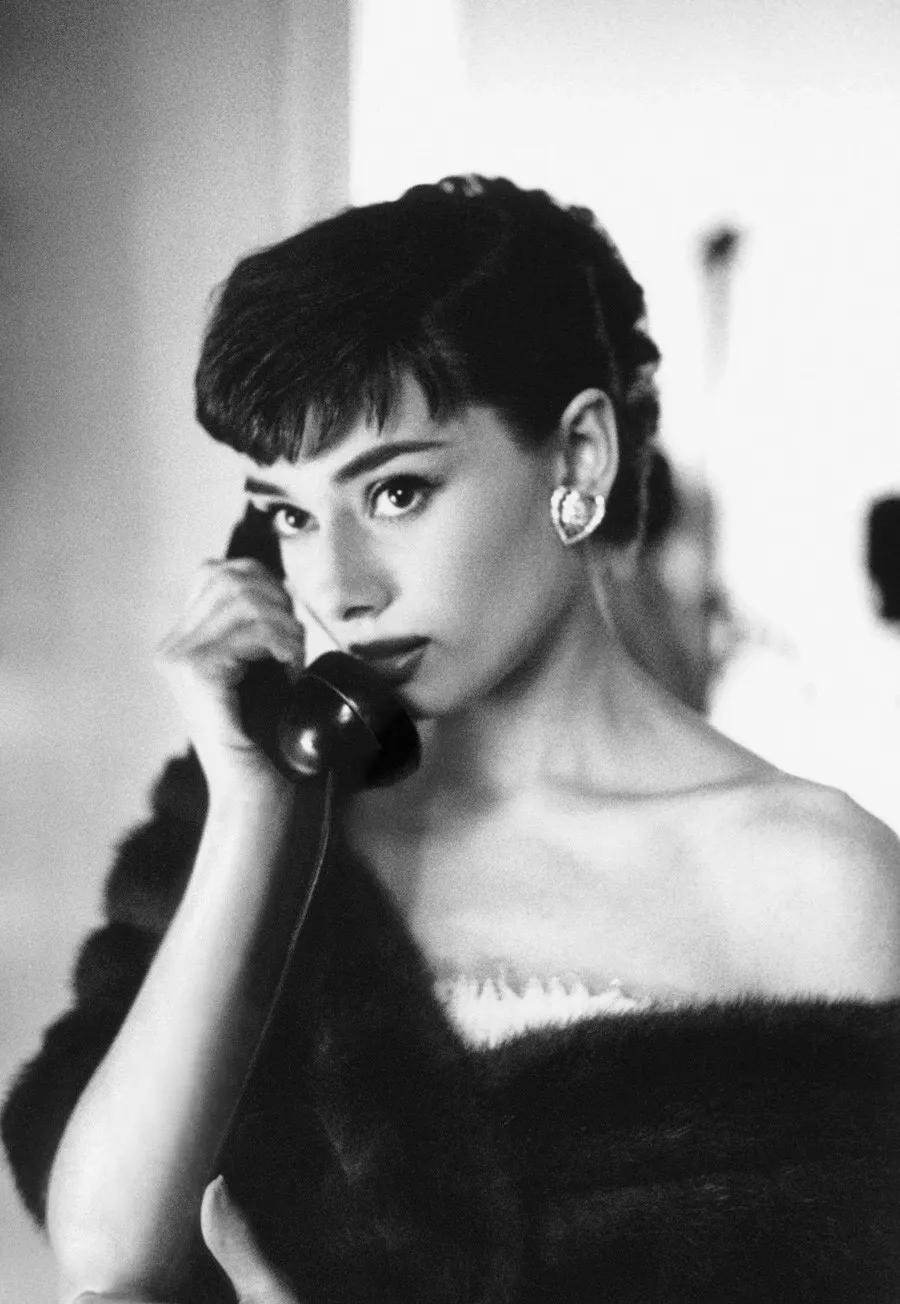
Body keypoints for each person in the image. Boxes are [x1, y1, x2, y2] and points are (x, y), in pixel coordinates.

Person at [3, 176, 900, 1304]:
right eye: (290, 515)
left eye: (396, 492)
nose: (337, 585)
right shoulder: (264, 813)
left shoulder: (820, 881)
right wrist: (253, 821)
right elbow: (106, 1253)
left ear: (579, 458)